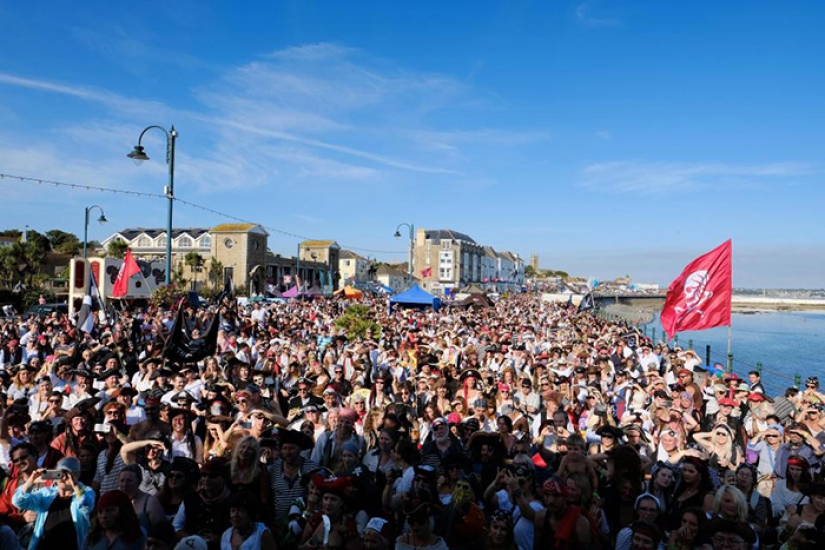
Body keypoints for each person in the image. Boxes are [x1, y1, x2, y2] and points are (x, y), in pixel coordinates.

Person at [11, 457, 96, 550]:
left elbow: (86, 505)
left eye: (67, 474)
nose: (63, 478)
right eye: (59, 473)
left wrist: (75, 486)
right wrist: (30, 482)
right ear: (55, 474)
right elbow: (18, 501)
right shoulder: (47, 494)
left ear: (76, 475)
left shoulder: (85, 491)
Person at [118, 463, 166, 531]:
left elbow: (161, 530)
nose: (125, 484)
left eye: (129, 480)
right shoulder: (116, 501)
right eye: (122, 480)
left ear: (139, 481)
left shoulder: (151, 502)